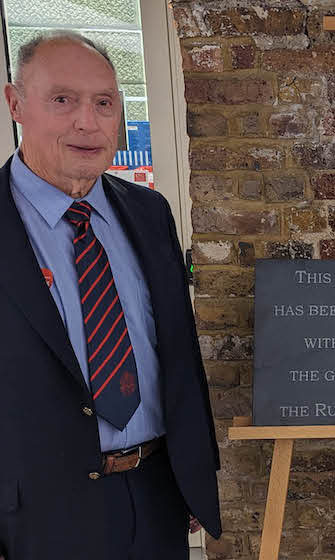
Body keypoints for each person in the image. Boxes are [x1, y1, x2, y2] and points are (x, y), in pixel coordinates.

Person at [0, 32, 221, 559]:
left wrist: (194, 472)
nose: (87, 121)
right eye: (62, 100)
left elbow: (178, 352)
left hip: (156, 496)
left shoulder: (149, 213)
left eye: (103, 102)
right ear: (16, 104)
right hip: (37, 515)